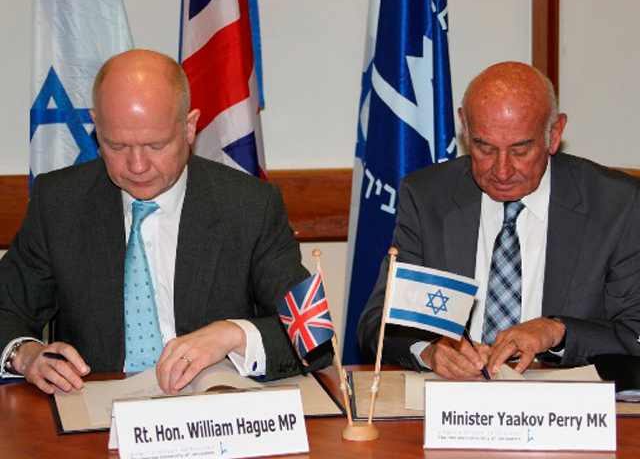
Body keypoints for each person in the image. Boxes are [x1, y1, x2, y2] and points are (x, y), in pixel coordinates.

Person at [0, 49, 330, 394]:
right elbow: (6, 309)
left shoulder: (249, 207)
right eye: (117, 146)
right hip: (95, 415)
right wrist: (25, 354)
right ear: (97, 128)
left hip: (214, 419)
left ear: (189, 128)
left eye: (156, 145)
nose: (137, 165)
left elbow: (314, 337)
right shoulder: (60, 203)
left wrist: (233, 334)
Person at [358, 61, 640, 379]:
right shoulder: (428, 198)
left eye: (520, 150)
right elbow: (376, 327)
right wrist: (430, 351)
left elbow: (634, 330)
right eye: (485, 148)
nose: (502, 171)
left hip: (565, 410)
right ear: (465, 126)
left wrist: (558, 332)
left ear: (555, 133)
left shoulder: (617, 205)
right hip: (456, 402)